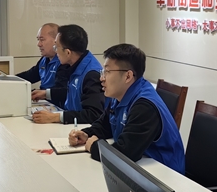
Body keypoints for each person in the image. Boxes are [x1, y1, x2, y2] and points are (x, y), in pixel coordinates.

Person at [68, 43, 185, 173]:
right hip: (142, 168)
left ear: (128, 76)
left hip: (164, 175)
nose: (102, 78)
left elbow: (125, 154)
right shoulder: (119, 95)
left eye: (107, 72)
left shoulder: (145, 106)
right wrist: (86, 134)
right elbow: (105, 125)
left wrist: (95, 147)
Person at [32, 24, 104, 125]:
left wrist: (56, 117)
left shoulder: (91, 74)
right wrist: (45, 94)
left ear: (68, 53)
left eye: (56, 47)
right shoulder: (74, 64)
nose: (55, 51)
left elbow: (94, 114)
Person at [16, 23, 69, 97]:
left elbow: (61, 91)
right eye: (38, 40)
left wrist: (42, 93)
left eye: (42, 39)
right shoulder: (44, 59)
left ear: (56, 40)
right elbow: (30, 76)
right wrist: (10, 79)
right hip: (44, 100)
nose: (39, 44)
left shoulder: (64, 61)